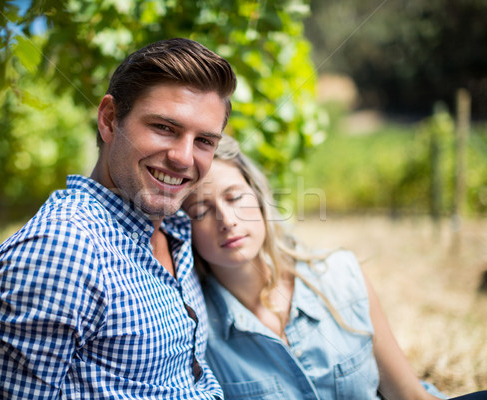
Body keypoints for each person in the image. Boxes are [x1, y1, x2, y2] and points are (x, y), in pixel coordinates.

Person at [0, 38, 236, 399]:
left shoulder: (175, 231)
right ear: (110, 120)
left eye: (204, 140)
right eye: (164, 127)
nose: (183, 158)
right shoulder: (63, 249)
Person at [182, 135, 447, 400]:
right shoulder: (197, 334)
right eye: (201, 211)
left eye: (235, 197)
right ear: (184, 228)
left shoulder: (340, 274)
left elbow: (409, 395)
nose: (227, 221)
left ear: (259, 198)